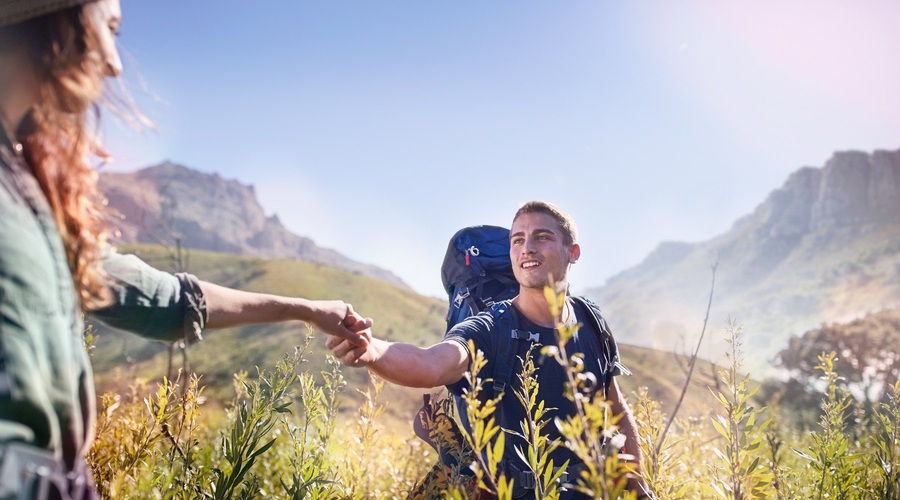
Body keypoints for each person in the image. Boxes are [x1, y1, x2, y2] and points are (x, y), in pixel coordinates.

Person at [0, 1, 371, 498]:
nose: (114, 62)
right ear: (55, 24)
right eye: (108, 29)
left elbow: (166, 300)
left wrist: (305, 309)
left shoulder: (31, 195)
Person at [327, 201, 651, 499]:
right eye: (518, 240)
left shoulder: (590, 321)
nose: (528, 249)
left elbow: (616, 408)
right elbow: (430, 364)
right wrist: (371, 351)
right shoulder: (491, 328)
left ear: (573, 251)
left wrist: (637, 482)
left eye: (542, 237)